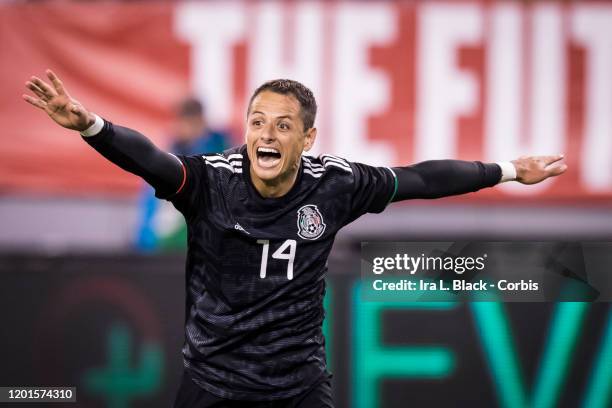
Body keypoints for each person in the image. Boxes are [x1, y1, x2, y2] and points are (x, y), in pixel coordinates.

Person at [23, 70, 567, 407]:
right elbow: (152, 161)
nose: (266, 134)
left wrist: (509, 170)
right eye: (257, 122)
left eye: (283, 125)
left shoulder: (335, 184)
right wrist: (92, 125)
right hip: (213, 382)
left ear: (308, 138)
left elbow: (421, 179)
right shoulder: (212, 180)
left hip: (297, 386)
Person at [135, 97, 230, 251]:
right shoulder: (167, 155)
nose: (181, 127)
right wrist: (144, 242)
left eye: (187, 121)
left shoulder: (219, 152)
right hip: (163, 246)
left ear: (200, 122)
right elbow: (150, 205)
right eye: (179, 121)